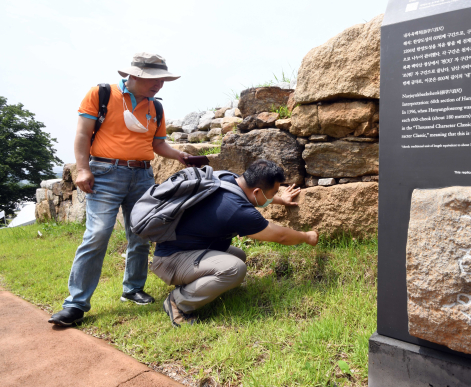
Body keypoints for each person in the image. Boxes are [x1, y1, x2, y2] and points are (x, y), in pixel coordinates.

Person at [49, 53, 191, 326]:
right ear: (134, 76)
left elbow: (158, 144)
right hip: (104, 173)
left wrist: (180, 155)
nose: (159, 85)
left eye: (162, 80)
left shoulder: (155, 108)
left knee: (141, 233)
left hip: (142, 175)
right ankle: (76, 304)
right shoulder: (101, 94)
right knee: (98, 233)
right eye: (154, 79)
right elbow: (82, 134)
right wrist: (82, 169)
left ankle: (133, 288)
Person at [151, 159, 318, 327]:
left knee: (238, 255)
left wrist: (281, 200)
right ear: (257, 190)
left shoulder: (227, 178)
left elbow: (256, 196)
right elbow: (280, 236)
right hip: (170, 261)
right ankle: (177, 303)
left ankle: (196, 287)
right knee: (234, 269)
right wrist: (307, 237)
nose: (273, 197)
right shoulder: (237, 210)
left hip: (177, 249)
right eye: (273, 193)